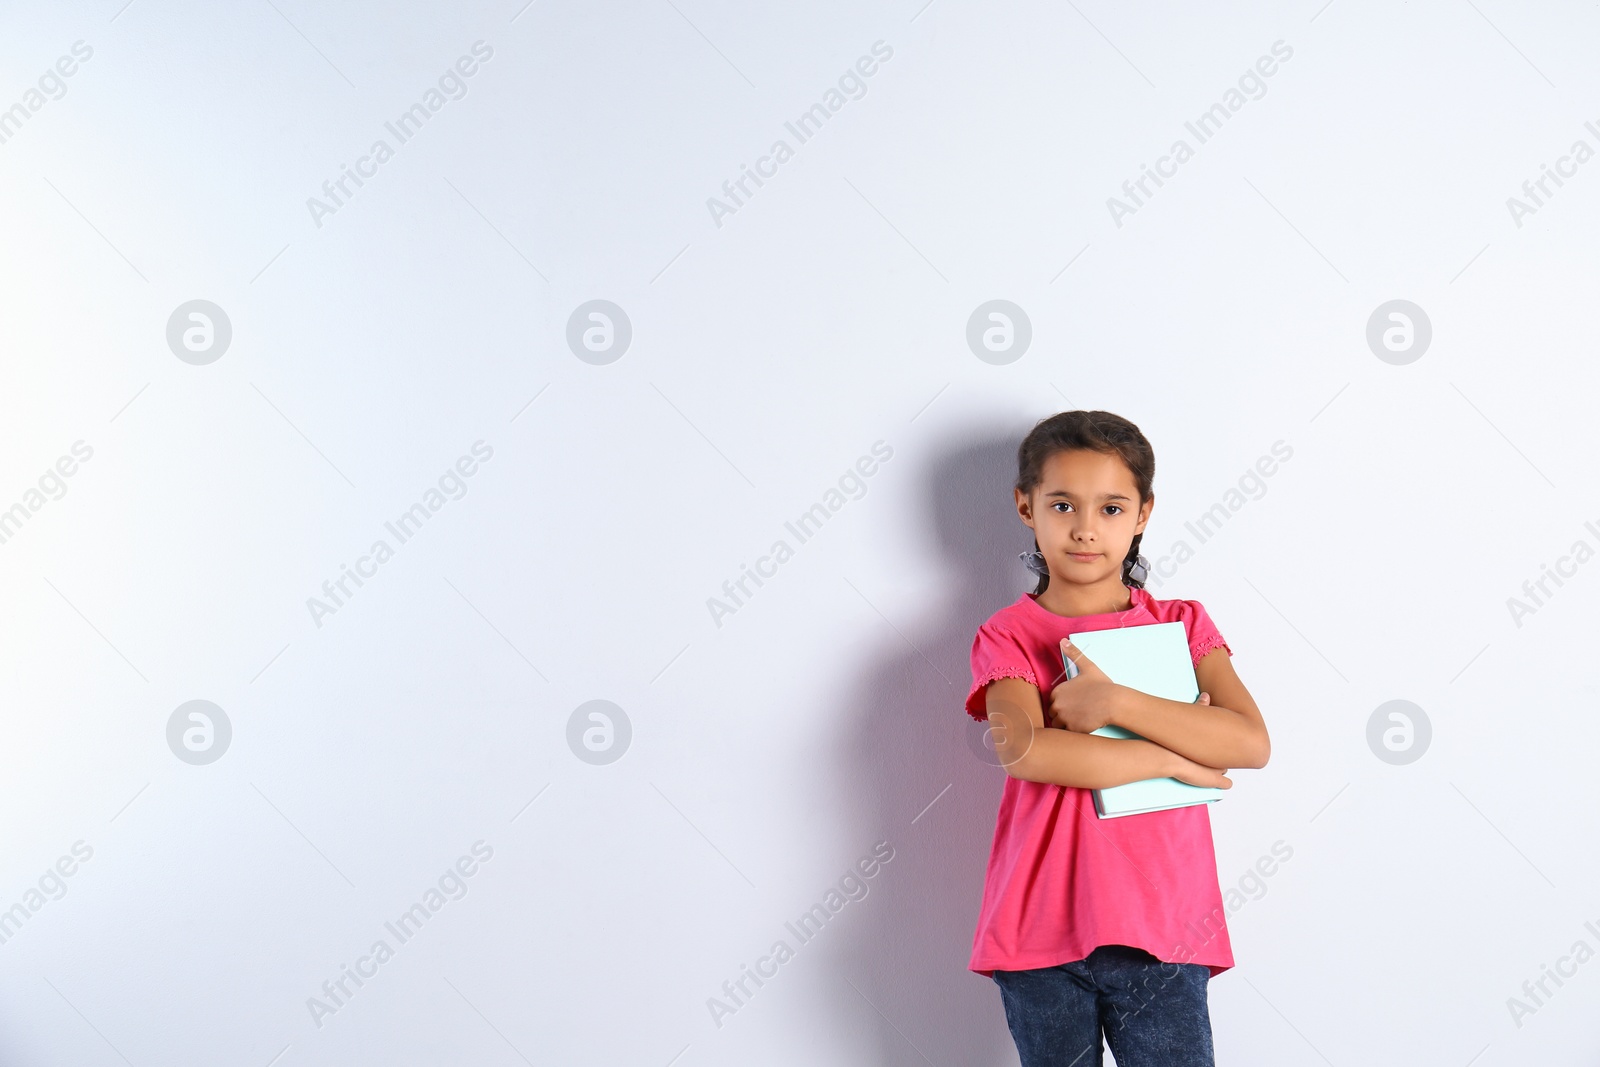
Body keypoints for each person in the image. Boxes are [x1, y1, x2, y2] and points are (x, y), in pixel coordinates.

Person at [965, 410, 1271, 1067]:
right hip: (1041, 928)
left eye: (1109, 507)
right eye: (1061, 504)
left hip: (1165, 926)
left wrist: (1115, 701)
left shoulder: (1183, 625)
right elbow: (1028, 749)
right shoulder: (1008, 634)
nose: (1084, 527)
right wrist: (1171, 754)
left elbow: (1248, 741)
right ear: (1026, 506)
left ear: (1142, 514)